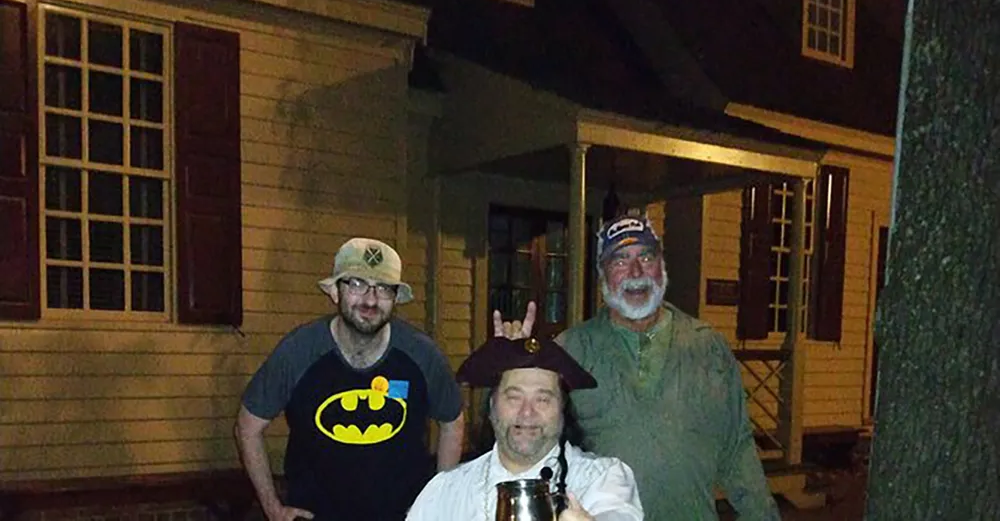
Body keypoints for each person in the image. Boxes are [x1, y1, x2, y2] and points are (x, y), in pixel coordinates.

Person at [495, 212, 780, 520]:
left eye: (646, 256)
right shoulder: (571, 349)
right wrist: (518, 366)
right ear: (602, 275)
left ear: (662, 266)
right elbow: (528, 437)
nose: (635, 271)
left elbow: (737, 450)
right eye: (619, 261)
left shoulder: (708, 347)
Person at [234, 237, 465, 521]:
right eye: (356, 284)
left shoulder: (422, 355)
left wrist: (437, 503)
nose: (370, 299)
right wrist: (272, 506)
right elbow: (248, 426)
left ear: (395, 298)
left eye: (383, 288)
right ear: (335, 292)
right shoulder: (299, 351)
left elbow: (452, 422)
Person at [406, 336, 644, 521]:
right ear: (492, 407)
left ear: (562, 409)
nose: (527, 412)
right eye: (514, 397)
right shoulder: (447, 490)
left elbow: (616, 513)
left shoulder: (601, 478)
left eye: (543, 399)